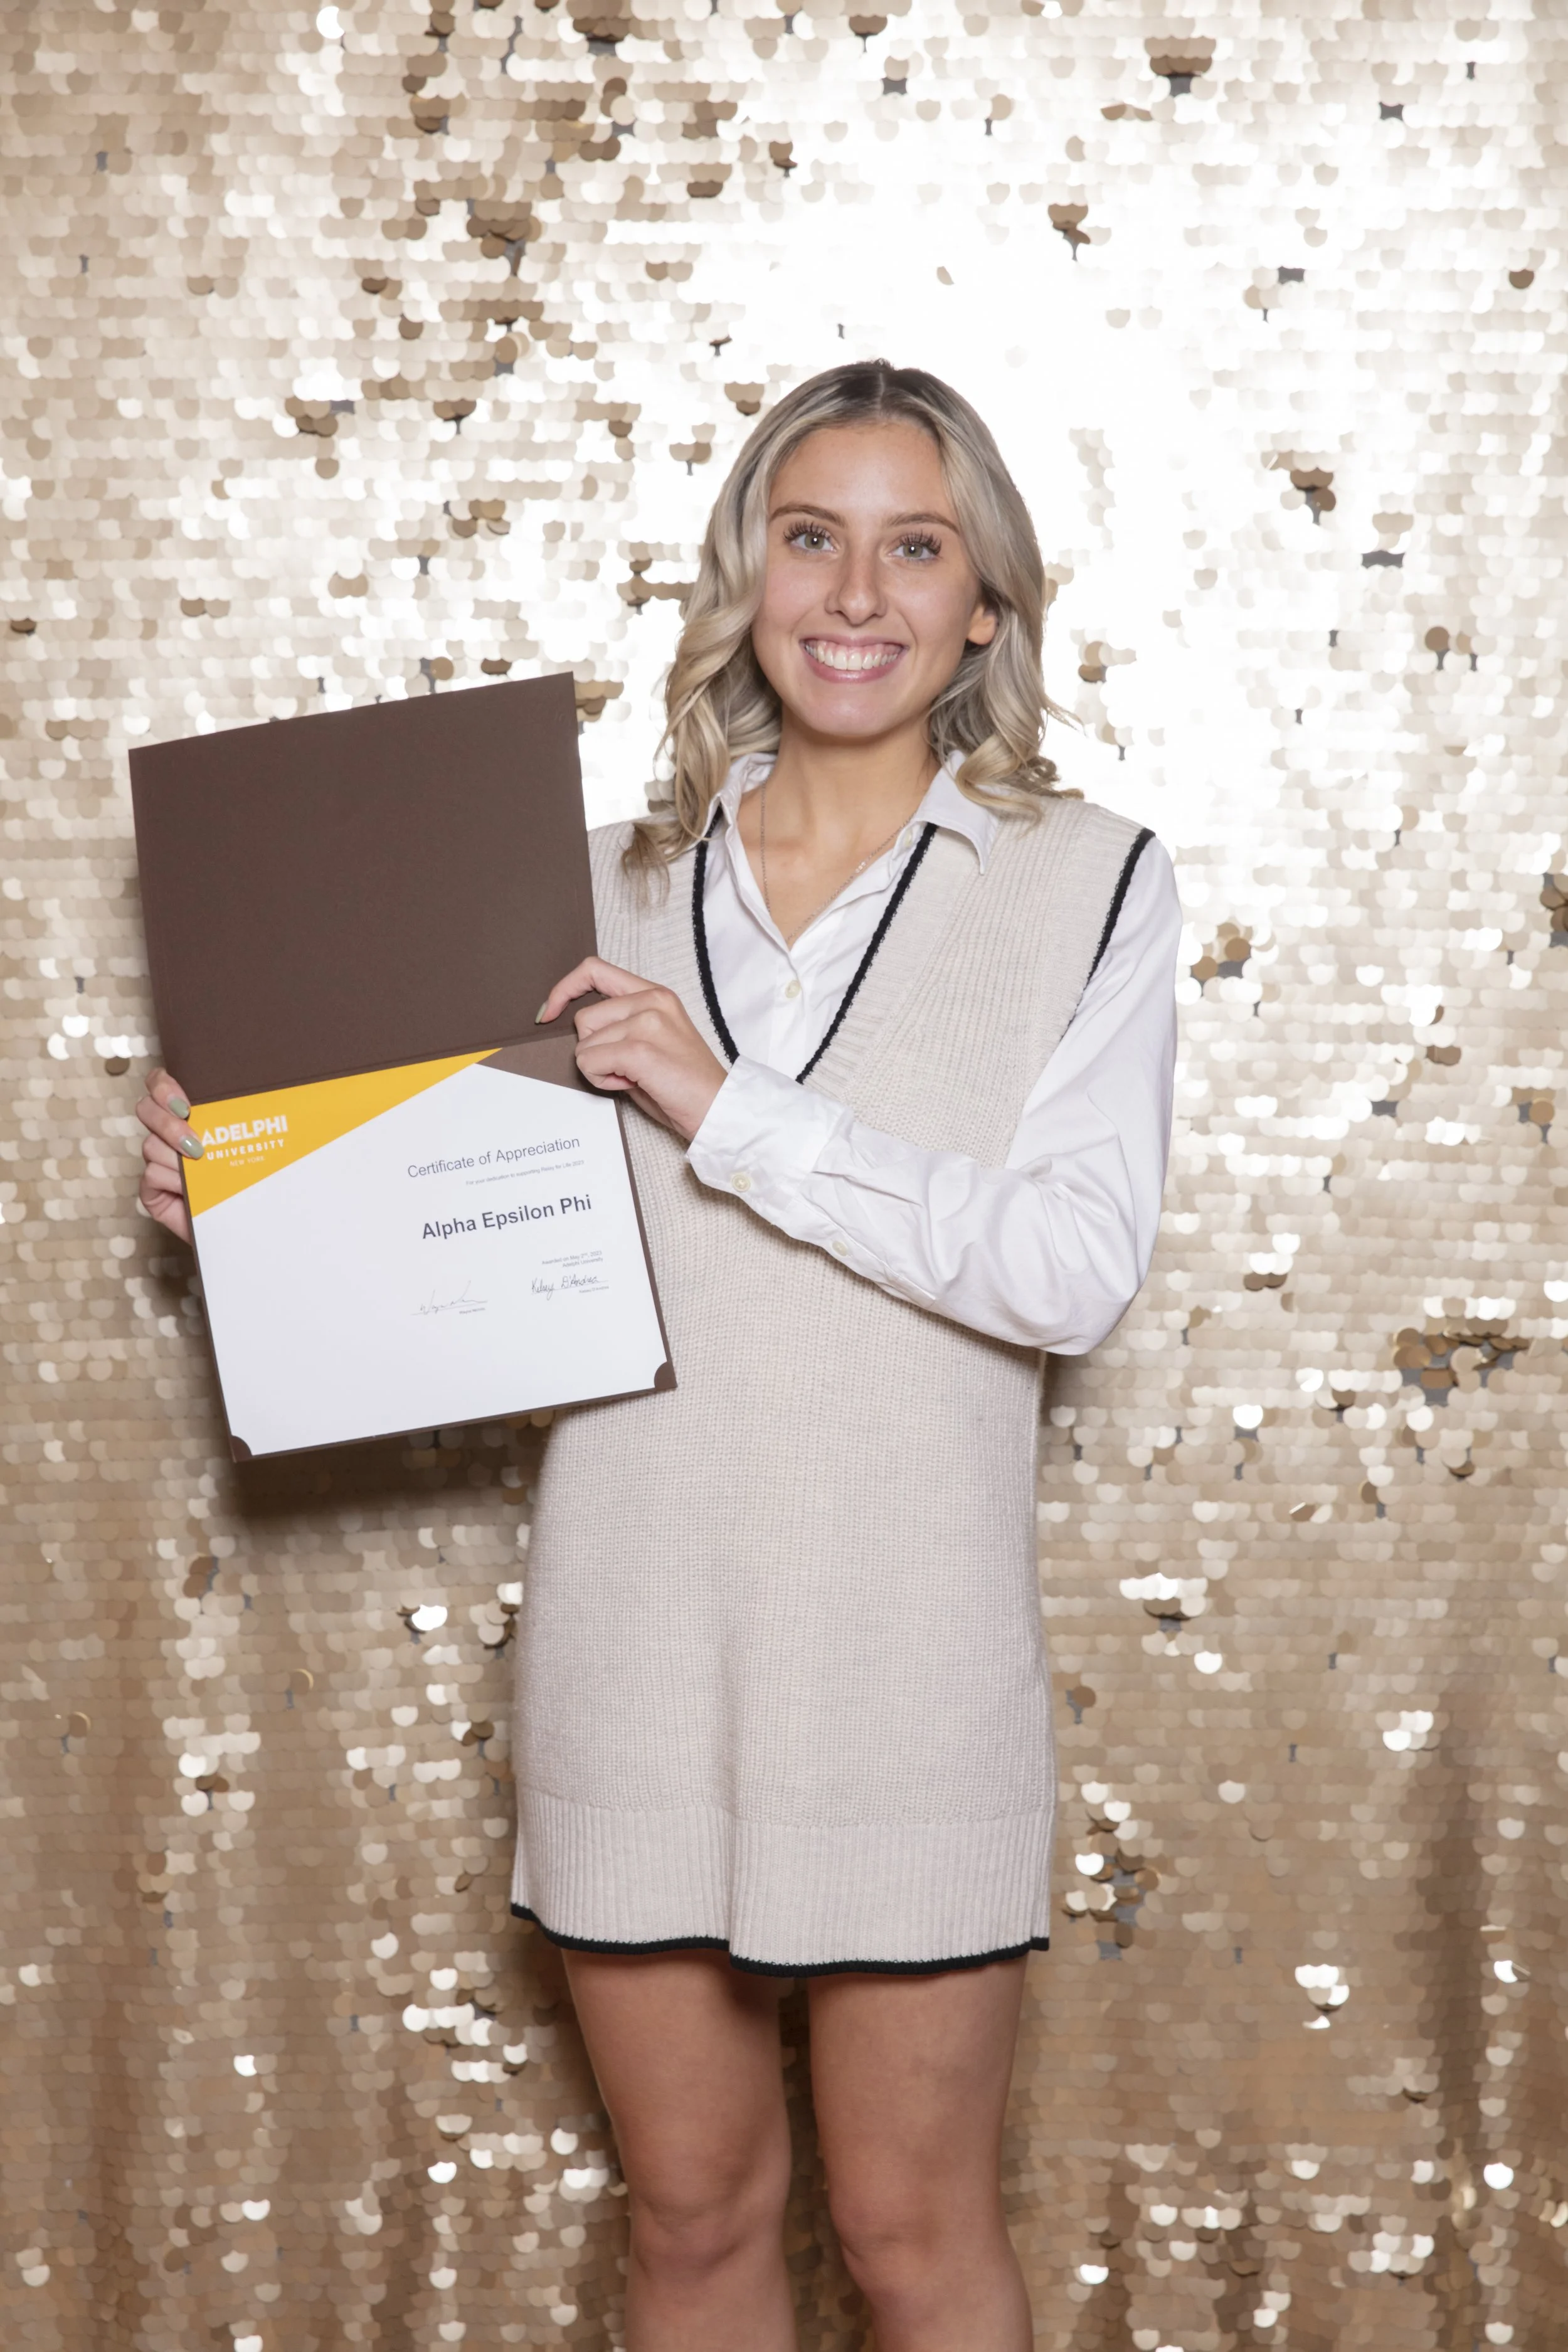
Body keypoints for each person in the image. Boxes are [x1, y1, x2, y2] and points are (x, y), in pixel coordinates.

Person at [138, 361, 1179, 2352]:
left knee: (906, 2233)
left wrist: (733, 1109)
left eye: (913, 542)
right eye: (809, 536)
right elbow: (469, 1271)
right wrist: (254, 1206)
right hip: (634, 1637)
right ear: (745, 577)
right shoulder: (592, 887)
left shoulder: (1090, 879)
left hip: (908, 1657)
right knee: (694, 2218)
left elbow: (1066, 1267)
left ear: (983, 606)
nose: (853, 589)